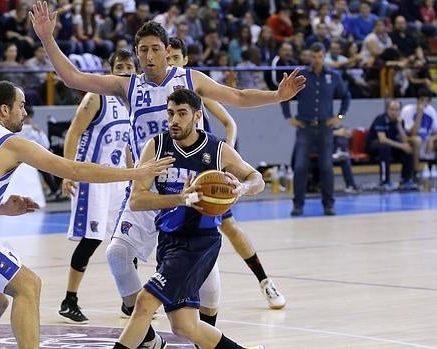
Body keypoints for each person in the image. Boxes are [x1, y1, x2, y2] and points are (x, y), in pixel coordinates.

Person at [30, 4, 302, 325]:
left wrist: (277, 96)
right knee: (117, 254)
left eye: (155, 49)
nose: (148, 56)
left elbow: (238, 96)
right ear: (136, 53)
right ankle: (143, 328)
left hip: (189, 184)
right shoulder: (127, 85)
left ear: (166, 50)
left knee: (209, 292)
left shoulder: (189, 78)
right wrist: (48, 39)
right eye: (142, 50)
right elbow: (72, 76)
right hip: (147, 187)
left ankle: (205, 330)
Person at [0, 80, 174, 349]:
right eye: (21, 106)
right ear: (5, 110)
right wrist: (135, 173)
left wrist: (1, 207)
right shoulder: (10, 142)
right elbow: (73, 170)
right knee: (28, 286)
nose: (25, 113)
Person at [114, 88, 265, 349]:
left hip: (199, 242)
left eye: (182, 114)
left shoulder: (216, 150)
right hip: (169, 240)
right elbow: (137, 200)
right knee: (185, 325)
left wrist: (242, 189)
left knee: (145, 302)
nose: (174, 120)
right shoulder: (157, 146)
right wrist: (181, 199)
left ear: (197, 116)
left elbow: (257, 179)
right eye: (170, 113)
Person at [167, 37, 286, 312]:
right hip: (172, 173)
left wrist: (225, 155)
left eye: (175, 58)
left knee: (229, 227)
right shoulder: (160, 98)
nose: (170, 63)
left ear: (185, 61)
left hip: (205, 167)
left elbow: (230, 123)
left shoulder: (197, 92)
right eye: (167, 57)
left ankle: (265, 281)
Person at [57, 49, 136, 324]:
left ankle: (130, 302)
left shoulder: (133, 102)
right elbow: (74, 132)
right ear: (110, 70)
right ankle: (69, 299)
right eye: (120, 66)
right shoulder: (96, 96)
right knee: (91, 240)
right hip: (91, 179)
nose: (125, 70)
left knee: (127, 239)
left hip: (119, 181)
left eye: (129, 66)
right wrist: (67, 172)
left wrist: (135, 175)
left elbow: (126, 146)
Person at [282, 42, 351, 216]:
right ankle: (298, 204)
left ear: (324, 56)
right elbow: (284, 95)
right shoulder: (302, 75)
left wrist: (340, 117)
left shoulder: (333, 76)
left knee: (327, 166)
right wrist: (288, 117)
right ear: (309, 57)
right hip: (304, 126)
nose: (317, 60)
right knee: (300, 166)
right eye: (314, 56)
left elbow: (346, 96)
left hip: (325, 127)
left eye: (320, 56)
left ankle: (329, 204)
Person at [18, 104, 66, 202]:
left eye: (30, 117)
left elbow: (46, 144)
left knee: (44, 165)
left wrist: (39, 132)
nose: (28, 120)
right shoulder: (19, 128)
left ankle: (55, 189)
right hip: (18, 158)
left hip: (28, 158)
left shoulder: (32, 129)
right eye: (27, 117)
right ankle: (55, 189)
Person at [366, 100, 416, 191]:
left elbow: (404, 140)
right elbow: (382, 139)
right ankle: (384, 181)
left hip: (391, 146)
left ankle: (406, 180)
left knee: (408, 149)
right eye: (391, 109)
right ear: (387, 109)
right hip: (374, 145)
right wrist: (401, 146)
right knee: (385, 147)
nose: (394, 112)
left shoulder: (400, 121)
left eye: (397, 110)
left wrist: (399, 126)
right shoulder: (381, 119)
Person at [400, 88, 437, 175]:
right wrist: (419, 115)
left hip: (426, 140)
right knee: (417, 140)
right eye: (422, 100)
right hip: (409, 139)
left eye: (427, 101)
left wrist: (432, 139)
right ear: (417, 100)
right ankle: (414, 173)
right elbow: (412, 133)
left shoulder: (431, 111)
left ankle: (432, 168)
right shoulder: (408, 110)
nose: (424, 103)